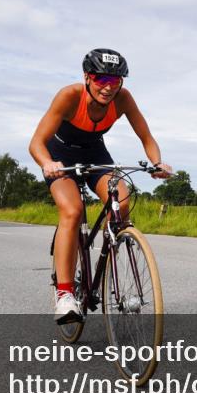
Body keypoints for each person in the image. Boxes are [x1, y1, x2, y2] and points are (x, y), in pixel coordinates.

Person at [29, 48, 172, 324]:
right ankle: (65, 294)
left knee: (123, 200)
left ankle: (111, 246)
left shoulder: (123, 99)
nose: (108, 88)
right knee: (71, 211)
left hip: (95, 154)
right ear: (86, 77)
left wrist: (157, 163)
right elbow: (36, 142)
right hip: (61, 156)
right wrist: (47, 162)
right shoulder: (69, 96)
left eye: (115, 81)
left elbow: (146, 135)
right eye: (100, 80)